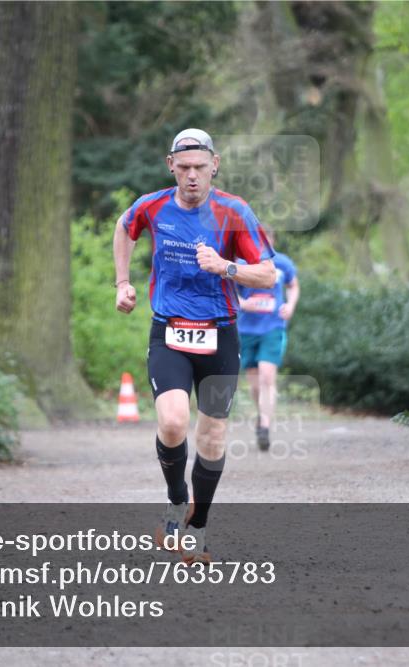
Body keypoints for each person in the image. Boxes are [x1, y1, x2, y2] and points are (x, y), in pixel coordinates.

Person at [112, 129, 276, 563]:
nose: (191, 176)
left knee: (213, 434)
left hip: (220, 334)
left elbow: (268, 275)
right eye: (183, 168)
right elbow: (124, 227)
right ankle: (174, 500)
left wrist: (226, 267)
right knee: (171, 423)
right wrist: (123, 283)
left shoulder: (234, 211)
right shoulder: (152, 205)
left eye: (200, 168)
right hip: (169, 331)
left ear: (214, 165)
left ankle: (197, 528)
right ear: (171, 166)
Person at [237, 228, 299, 450]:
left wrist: (290, 305)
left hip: (273, 327)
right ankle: (261, 414)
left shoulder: (282, 263)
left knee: (267, 376)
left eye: (266, 240)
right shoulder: (242, 263)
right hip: (247, 329)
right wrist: (243, 304)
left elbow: (293, 285)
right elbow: (229, 290)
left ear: (272, 241)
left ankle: (264, 425)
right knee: (254, 381)